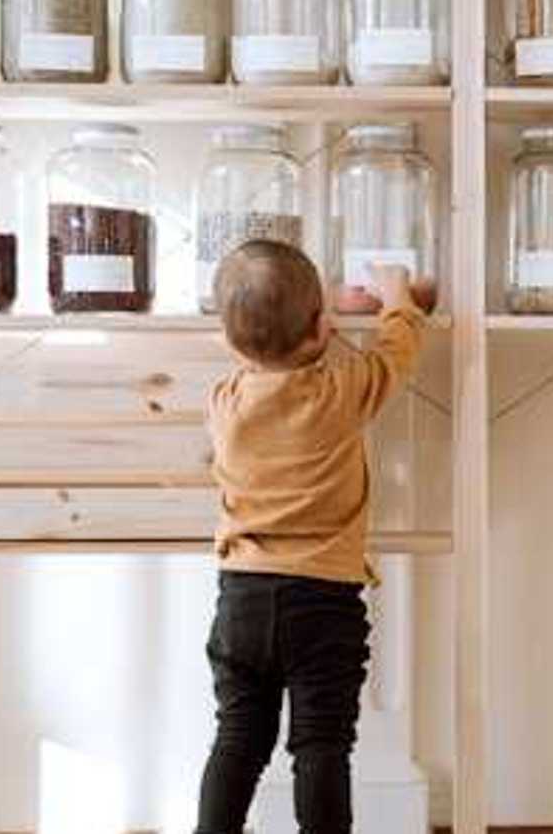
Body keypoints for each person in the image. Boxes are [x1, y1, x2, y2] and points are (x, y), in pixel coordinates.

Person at [195, 239, 425, 834]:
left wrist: (293, 328)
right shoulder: (340, 392)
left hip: (241, 599)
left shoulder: (224, 403)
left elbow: (260, 358)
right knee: (321, 747)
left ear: (229, 342)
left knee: (238, 740)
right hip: (322, 602)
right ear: (324, 328)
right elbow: (397, 351)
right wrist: (396, 298)